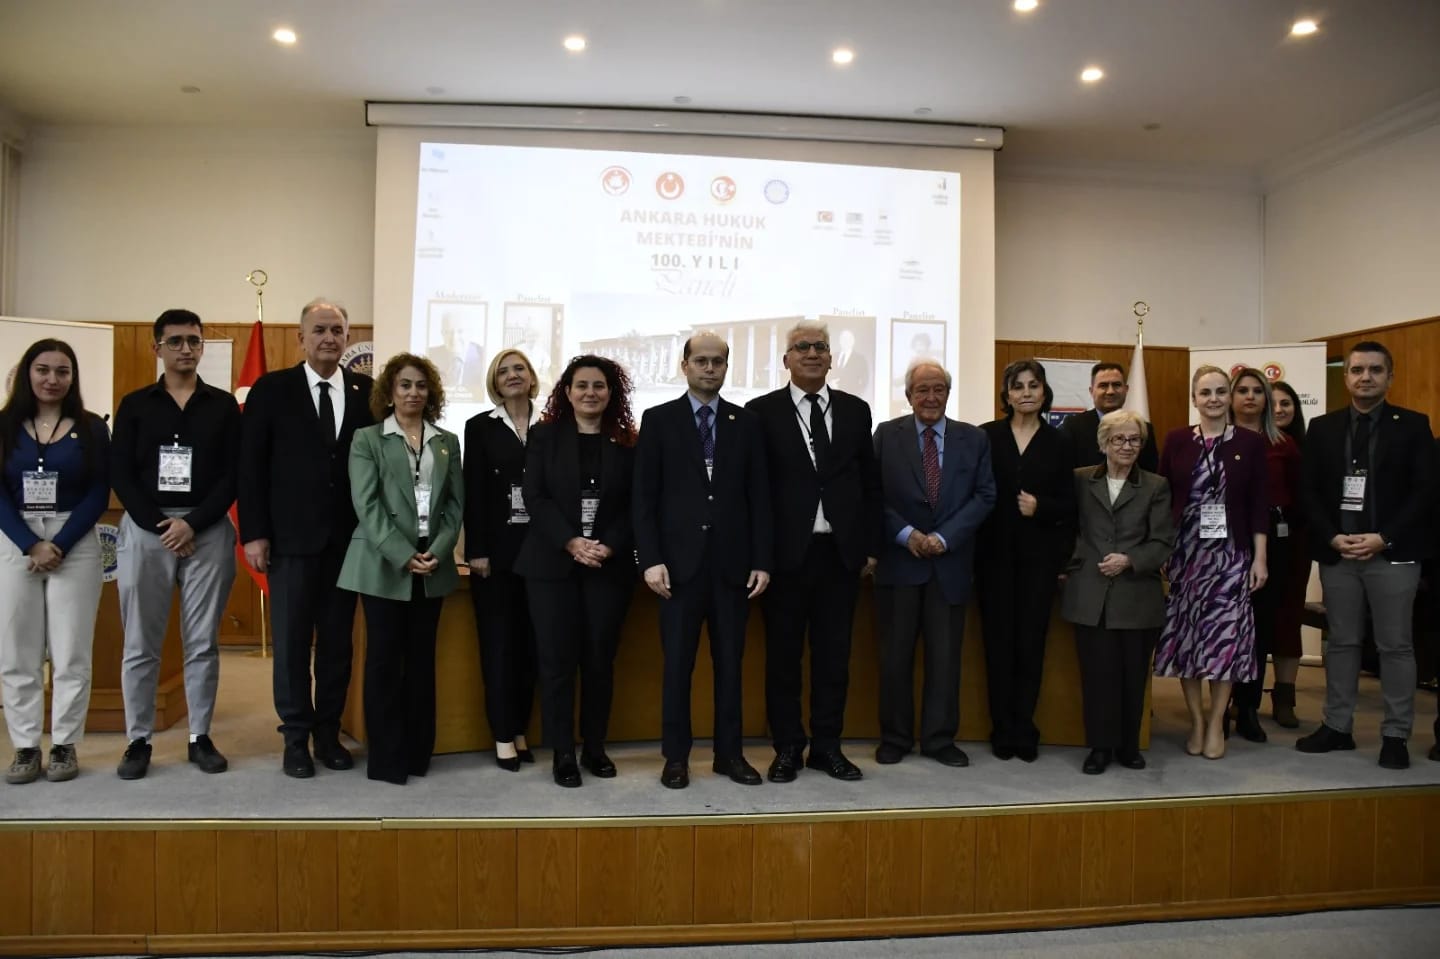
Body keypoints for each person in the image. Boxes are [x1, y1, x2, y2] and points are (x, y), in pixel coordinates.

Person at [238, 299, 375, 779]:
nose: (328, 338)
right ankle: (295, 737)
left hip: (349, 543)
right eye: (319, 330)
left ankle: (328, 733)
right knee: (293, 645)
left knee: (337, 646)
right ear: (301, 338)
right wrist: (254, 533)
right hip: (290, 541)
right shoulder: (272, 390)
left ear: (347, 337)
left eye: (337, 330)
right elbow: (250, 466)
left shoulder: (366, 392)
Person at [633, 331, 773, 789]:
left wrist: (762, 559)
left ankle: (729, 755)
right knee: (678, 667)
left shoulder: (745, 422)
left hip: (733, 569)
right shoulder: (659, 420)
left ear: (726, 367)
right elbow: (644, 498)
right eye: (701, 361)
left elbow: (759, 497)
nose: (710, 368)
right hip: (677, 569)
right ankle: (676, 758)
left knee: (730, 666)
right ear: (685, 365)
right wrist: (650, 559)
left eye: (718, 362)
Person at [746, 322, 882, 783]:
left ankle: (827, 747)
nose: (811, 353)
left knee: (834, 659)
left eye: (820, 347)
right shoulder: (760, 412)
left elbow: (870, 485)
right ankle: (787, 748)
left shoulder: (856, 410)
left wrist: (870, 547)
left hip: (840, 556)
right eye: (801, 347)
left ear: (831, 358)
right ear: (786, 359)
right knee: (784, 660)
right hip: (785, 558)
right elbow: (754, 491)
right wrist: (759, 555)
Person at [111, 310, 240, 780]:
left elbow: (234, 474)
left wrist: (193, 524)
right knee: (140, 642)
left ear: (202, 346)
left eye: (194, 341)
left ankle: (199, 736)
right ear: (157, 348)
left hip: (207, 531)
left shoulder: (223, 405)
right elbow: (121, 472)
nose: (186, 349)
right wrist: (162, 525)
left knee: (202, 642)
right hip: (147, 530)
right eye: (176, 341)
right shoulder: (135, 404)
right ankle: (138, 740)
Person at [1296, 341, 1435, 770]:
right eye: (1357, 370)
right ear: (1346, 377)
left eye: (1375, 370)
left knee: (1395, 646)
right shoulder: (1322, 428)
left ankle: (1395, 734)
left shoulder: (1413, 426)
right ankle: (1337, 726)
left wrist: (1384, 537)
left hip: (1392, 554)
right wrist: (1332, 537)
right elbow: (1308, 491)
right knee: (1341, 642)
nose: (1365, 377)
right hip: (1339, 554)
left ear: (1389, 377)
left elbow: (1425, 492)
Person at [338, 353, 463, 785]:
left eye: (421, 385)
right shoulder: (368, 439)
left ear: (431, 393)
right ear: (390, 392)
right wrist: (401, 552)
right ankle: (387, 758)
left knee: (422, 662)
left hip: (432, 563)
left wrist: (440, 550)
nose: (413, 392)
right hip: (383, 562)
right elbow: (366, 503)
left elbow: (454, 505)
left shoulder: (447, 441)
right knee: (384, 663)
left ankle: (416, 753)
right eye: (405, 385)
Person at [515, 355, 637, 787]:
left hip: (607, 566)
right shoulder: (545, 436)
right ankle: (563, 752)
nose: (590, 393)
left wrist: (609, 545)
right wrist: (570, 541)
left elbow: (636, 504)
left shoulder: (627, 441)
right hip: (552, 565)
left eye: (599, 386)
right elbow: (535, 496)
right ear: (566, 392)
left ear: (611, 393)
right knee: (556, 662)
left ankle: (595, 748)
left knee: (600, 661)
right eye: (581, 385)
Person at [872, 360, 995, 767]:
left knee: (945, 660)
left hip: (949, 566)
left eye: (938, 388)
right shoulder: (886, 435)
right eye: (922, 389)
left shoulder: (973, 438)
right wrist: (907, 534)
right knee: (895, 659)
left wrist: (944, 538)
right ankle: (895, 738)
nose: (930, 397)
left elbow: (985, 495)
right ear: (908, 395)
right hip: (899, 563)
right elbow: (872, 494)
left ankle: (940, 740)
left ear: (948, 393)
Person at [0, 340, 109, 784]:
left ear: (73, 377)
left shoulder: (92, 427)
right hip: (16, 539)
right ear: (28, 373)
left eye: (62, 371)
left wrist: (58, 544)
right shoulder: (5, 425)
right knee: (17, 649)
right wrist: (30, 544)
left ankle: (64, 743)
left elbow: (99, 492)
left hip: (74, 541)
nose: (52, 379)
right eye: (43, 370)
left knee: (71, 651)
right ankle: (26, 746)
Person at [1154, 365, 1269, 761]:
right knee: (1188, 639)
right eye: (1205, 393)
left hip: (1231, 555)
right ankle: (1197, 721)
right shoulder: (1176, 440)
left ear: (1230, 397)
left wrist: (1260, 559)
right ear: (1194, 399)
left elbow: (1258, 504)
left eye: (1221, 391)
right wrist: (1162, 549)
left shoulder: (1251, 443)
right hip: (1185, 554)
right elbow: (1162, 497)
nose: (1214, 399)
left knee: (1225, 640)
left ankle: (1217, 720)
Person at [1063, 410, 1174, 774]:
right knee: (1097, 677)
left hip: (1136, 595)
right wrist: (1075, 560)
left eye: (1134, 440)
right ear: (1104, 443)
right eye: (1119, 439)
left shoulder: (1156, 485)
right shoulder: (1080, 479)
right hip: (1089, 592)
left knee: (1132, 676)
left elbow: (1162, 541)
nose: (1127, 446)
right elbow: (1065, 525)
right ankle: (1099, 747)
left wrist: (1129, 560)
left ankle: (1128, 746)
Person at [976, 359, 1076, 763]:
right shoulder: (986, 436)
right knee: (998, 647)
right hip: (993, 559)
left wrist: (1042, 507)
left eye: (1033, 385)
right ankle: (1002, 729)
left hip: (1039, 561)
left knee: (1031, 647)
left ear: (1044, 391)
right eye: (1018, 386)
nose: (1026, 393)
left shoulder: (1060, 442)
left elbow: (1071, 504)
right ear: (1007, 394)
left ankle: (1024, 728)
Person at [463, 349, 541, 771]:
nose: (512, 375)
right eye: (504, 371)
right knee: (499, 647)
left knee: (531, 649)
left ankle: (520, 728)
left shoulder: (552, 424)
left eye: (519, 369)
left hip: (542, 553)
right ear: (494, 381)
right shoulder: (480, 427)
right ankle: (502, 734)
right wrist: (476, 549)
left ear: (531, 377)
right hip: (494, 555)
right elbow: (473, 491)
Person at [1228, 369, 1302, 743]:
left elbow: (1299, 496)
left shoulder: (1283, 443)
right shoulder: (1217, 438)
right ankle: (1221, 705)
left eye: (1258, 391)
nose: (1250, 397)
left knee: (1258, 628)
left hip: (1273, 539)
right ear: (1230, 397)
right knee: (1225, 626)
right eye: (1242, 390)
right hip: (1224, 537)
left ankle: (1248, 708)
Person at [1267, 380, 1310, 727]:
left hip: (1294, 544)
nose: (1280, 409)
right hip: (1253, 543)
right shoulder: (1248, 443)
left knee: (1287, 621)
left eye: (1286, 403)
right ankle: (1242, 698)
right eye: (1274, 403)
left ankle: (1284, 700)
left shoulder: (1307, 446)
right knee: (1250, 623)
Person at [1059, 363, 1159, 473]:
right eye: (1103, 385)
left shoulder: (1143, 428)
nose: (1110, 391)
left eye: (1116, 385)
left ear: (1126, 389)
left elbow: (1150, 473)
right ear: (1091, 391)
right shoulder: (1073, 427)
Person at [428, 309, 486, 397]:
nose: (454, 338)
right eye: (448, 332)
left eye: (460, 331)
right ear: (442, 333)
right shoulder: (430, 355)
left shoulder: (484, 356)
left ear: (470, 332)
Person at [829, 329, 871, 397]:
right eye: (843, 338)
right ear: (839, 341)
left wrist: (855, 397)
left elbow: (864, 382)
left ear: (853, 341)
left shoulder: (860, 359)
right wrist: (829, 384)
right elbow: (824, 376)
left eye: (848, 338)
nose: (845, 341)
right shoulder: (832, 357)